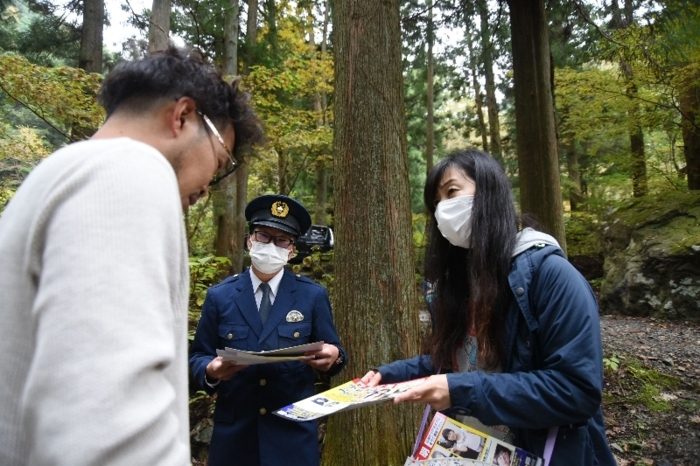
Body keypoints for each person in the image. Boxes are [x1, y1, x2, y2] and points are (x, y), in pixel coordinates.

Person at [0, 45, 263, 465]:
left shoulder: (64, 173)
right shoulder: (127, 172)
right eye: (221, 160)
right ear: (181, 117)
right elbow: (105, 423)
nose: (209, 185)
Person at [361, 150, 617, 465]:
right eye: (436, 203)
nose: (443, 208)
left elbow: (576, 390)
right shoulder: (460, 285)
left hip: (540, 451)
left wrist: (460, 389)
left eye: (452, 191)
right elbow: (462, 360)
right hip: (471, 449)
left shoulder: (551, 275)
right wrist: (389, 375)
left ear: (489, 190)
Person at [189, 194, 347, 466]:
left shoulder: (312, 296)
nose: (271, 245)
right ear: (250, 240)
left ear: (292, 250)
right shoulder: (220, 296)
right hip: (235, 439)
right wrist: (211, 371)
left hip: (292, 438)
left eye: (281, 240)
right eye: (263, 236)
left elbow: (335, 354)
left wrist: (334, 357)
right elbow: (196, 359)